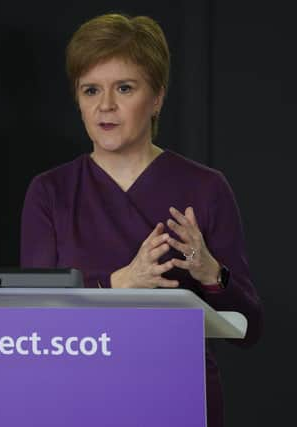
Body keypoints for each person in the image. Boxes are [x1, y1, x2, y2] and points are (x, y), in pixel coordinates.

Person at [20, 13, 262, 427]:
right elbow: (35, 321)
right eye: (91, 89)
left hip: (178, 397)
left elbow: (249, 327)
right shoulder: (50, 192)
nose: (105, 106)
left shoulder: (205, 188)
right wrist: (119, 284)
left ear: (157, 98)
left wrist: (210, 272)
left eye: (125, 88)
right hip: (79, 399)